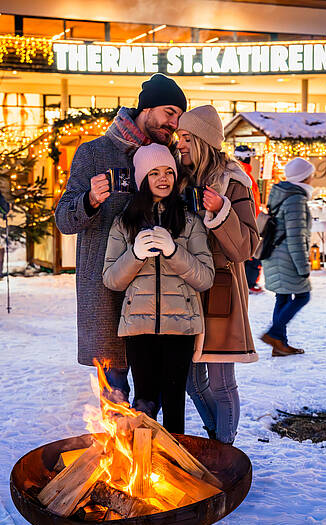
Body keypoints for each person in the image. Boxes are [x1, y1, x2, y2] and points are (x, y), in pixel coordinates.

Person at [55, 74, 187, 401]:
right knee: (115, 392)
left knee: (150, 393)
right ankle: (121, 452)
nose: (173, 123)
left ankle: (148, 452)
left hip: (154, 293)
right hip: (106, 293)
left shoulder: (170, 158)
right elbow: (63, 218)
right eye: (169, 112)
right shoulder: (94, 153)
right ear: (147, 108)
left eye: (178, 117)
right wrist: (90, 199)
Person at [102, 144, 214, 434]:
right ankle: (144, 464)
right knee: (145, 402)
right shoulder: (124, 224)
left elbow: (205, 278)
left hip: (181, 328)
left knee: (175, 402)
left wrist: (173, 250)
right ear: (141, 178)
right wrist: (135, 254)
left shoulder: (189, 222)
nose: (163, 179)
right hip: (138, 327)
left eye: (168, 172)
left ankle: (175, 467)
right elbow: (112, 279)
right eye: (154, 173)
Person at [177, 105, 259, 444]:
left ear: (201, 139)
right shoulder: (178, 177)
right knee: (191, 380)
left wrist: (220, 211)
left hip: (221, 292)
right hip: (183, 290)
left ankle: (225, 451)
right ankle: (217, 439)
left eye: (185, 137)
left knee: (222, 381)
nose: (179, 143)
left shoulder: (233, 180)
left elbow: (247, 248)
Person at [261, 157, 314, 357]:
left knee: (282, 297)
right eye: (310, 174)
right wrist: (303, 267)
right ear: (304, 177)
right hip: (287, 257)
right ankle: (275, 334)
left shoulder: (282, 193)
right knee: (303, 295)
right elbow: (296, 236)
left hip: (275, 254)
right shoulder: (295, 199)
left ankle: (279, 345)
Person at [234, 145, 264, 294]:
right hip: (250, 219)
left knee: (248, 254)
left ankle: (247, 281)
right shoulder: (245, 176)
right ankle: (250, 282)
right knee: (253, 253)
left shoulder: (238, 173)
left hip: (245, 218)